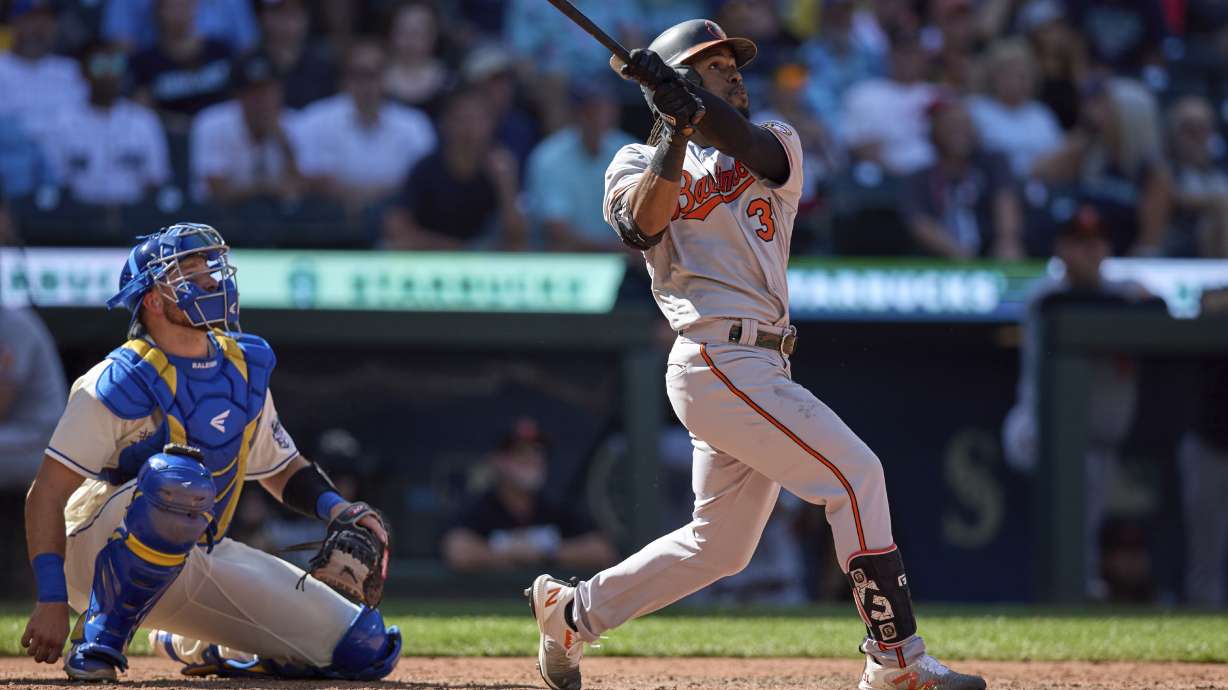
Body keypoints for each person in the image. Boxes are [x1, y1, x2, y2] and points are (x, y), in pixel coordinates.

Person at [524, 19, 985, 690]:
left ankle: (571, 614)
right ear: (679, 79)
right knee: (856, 477)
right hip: (714, 356)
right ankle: (895, 659)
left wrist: (691, 103)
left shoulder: (776, 144)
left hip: (763, 361)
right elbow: (640, 225)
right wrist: (672, 125)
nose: (735, 72)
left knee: (720, 546)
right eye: (714, 65)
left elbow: (742, 142)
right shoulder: (631, 161)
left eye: (732, 63)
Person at [19, 222, 400, 681]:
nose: (210, 280)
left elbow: (280, 467)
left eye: (209, 267)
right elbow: (45, 494)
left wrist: (340, 509)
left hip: (198, 552)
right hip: (93, 552)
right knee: (178, 479)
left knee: (366, 648)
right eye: (188, 272)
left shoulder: (242, 366)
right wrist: (52, 597)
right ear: (154, 300)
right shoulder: (119, 379)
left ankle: (197, 645)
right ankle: (101, 636)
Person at [1001, 204, 1150, 599]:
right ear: (1061, 249)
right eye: (1078, 243)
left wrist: (1142, 299)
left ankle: (1077, 588)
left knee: (1085, 516)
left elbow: (1157, 307)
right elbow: (1072, 308)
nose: (1089, 251)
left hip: (1101, 438)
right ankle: (1074, 588)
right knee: (1072, 511)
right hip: (1039, 429)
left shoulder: (1127, 293)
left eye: (1096, 242)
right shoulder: (1046, 298)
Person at [442, 418, 616, 572]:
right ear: (499, 460)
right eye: (520, 452)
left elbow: (602, 551)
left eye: (538, 452)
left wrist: (545, 553)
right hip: (491, 598)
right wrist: (511, 553)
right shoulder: (481, 507)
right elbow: (458, 552)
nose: (532, 459)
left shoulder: (555, 508)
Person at [297, 39, 436, 211]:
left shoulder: (415, 125)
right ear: (345, 78)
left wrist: (368, 194)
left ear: (386, 77)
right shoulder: (314, 120)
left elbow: (425, 182)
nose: (367, 84)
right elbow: (302, 177)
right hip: (326, 223)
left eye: (373, 74)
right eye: (359, 74)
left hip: (394, 221)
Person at [382, 87, 526, 250]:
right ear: (445, 124)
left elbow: (517, 238)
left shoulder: (501, 169)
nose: (468, 128)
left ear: (491, 125)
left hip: (486, 262)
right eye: (461, 119)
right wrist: (460, 249)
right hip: (435, 257)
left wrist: (506, 185)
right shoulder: (426, 168)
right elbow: (396, 226)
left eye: (477, 120)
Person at [43, 43, 170, 206]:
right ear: (84, 72)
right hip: (77, 217)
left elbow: (156, 180)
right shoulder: (61, 122)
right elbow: (56, 182)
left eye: (116, 65)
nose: (109, 73)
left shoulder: (144, 120)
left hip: (134, 216)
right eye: (100, 65)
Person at [902, 98, 1024, 259]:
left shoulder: (994, 164)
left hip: (992, 253)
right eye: (951, 126)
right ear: (935, 131)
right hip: (941, 260)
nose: (959, 133)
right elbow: (920, 224)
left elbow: (1005, 201)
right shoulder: (918, 178)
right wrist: (960, 256)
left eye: (964, 125)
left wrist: (1007, 241)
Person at [524, 80, 635, 252]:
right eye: (589, 110)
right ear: (576, 114)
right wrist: (617, 249)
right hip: (570, 261)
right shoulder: (549, 157)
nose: (597, 117)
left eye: (603, 108)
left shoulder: (631, 152)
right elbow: (557, 231)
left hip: (628, 260)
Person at [188, 51, 306, 205]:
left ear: (279, 92)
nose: (261, 100)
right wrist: (266, 189)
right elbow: (217, 191)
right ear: (238, 96)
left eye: (267, 91)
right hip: (219, 219)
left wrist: (284, 142)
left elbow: (303, 189)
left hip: (279, 221)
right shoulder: (211, 123)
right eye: (253, 93)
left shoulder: (295, 124)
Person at [840, 26, 938, 176]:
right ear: (889, 55)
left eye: (913, 52)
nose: (907, 59)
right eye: (902, 52)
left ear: (923, 57)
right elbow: (858, 146)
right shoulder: (865, 93)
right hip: (887, 181)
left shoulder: (938, 95)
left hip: (935, 180)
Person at [129, 0, 237, 131]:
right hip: (172, 141)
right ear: (159, 11)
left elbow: (238, 98)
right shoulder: (144, 62)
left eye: (185, 4)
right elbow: (141, 113)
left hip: (221, 136)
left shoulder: (220, 51)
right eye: (173, 6)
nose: (180, 11)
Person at [967, 39, 1063, 179]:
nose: (1015, 80)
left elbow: (1057, 160)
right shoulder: (975, 109)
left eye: (1022, 73)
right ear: (992, 76)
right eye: (1008, 72)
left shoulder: (1042, 115)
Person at [0, 0, 88, 141]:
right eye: (33, 19)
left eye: (48, 20)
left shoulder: (72, 71)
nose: (40, 27)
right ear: (15, 22)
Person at [1167, 96, 1228, 258]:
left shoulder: (1219, 171)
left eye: (1201, 128)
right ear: (1174, 133)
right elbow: (1177, 197)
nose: (1196, 136)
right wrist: (1216, 201)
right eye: (1188, 129)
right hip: (1182, 247)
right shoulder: (1165, 170)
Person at [258, 0, 338, 110]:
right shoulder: (247, 65)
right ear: (264, 17)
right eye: (279, 14)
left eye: (292, 14)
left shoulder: (322, 69)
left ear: (305, 19)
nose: (285, 23)